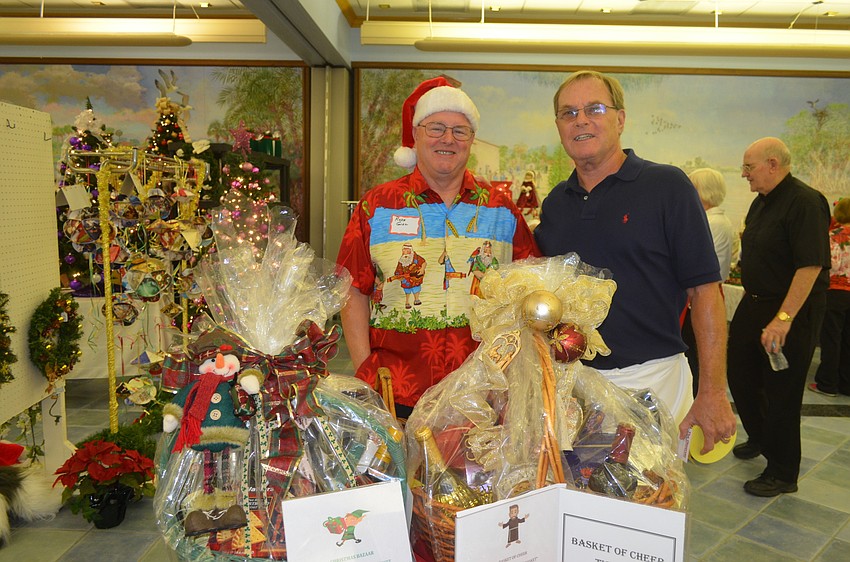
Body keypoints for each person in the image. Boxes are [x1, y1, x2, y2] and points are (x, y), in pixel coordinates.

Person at [534, 70, 736, 455]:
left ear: (620, 119)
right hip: (574, 388)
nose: (581, 119)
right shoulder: (555, 205)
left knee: (653, 504)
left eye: (594, 108)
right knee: (579, 508)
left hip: (653, 382)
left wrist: (712, 392)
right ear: (559, 126)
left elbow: (706, 291)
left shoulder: (667, 187)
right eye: (568, 112)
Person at [337, 77, 538, 418]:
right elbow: (351, 289)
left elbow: (529, 292)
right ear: (415, 134)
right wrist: (365, 369)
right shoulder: (377, 206)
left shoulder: (503, 211)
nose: (448, 139)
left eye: (460, 130)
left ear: (472, 139)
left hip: (485, 394)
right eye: (436, 128)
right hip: (395, 391)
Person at [727, 137, 830, 497]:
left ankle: (783, 472)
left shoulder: (805, 201)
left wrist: (783, 318)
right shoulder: (761, 203)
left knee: (782, 389)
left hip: (791, 310)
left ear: (773, 164)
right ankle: (761, 436)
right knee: (739, 373)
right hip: (754, 303)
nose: (744, 174)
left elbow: (810, 265)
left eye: (748, 167)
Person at [682, 168, 737, 394]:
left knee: (696, 354)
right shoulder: (715, 220)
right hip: (700, 291)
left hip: (702, 294)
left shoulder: (713, 223)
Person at [810, 198, 850, 398]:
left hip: (835, 292)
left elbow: (830, 265)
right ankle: (846, 383)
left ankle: (827, 382)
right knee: (848, 339)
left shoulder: (833, 237)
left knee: (831, 338)